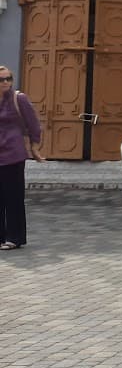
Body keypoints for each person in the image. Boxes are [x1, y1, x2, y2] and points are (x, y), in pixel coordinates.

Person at [0, 66, 44, 250]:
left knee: (13, 197)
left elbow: (33, 124)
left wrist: (35, 147)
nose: (6, 82)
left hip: (13, 154)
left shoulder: (19, 99)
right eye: (1, 79)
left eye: (8, 78)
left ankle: (14, 237)